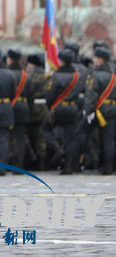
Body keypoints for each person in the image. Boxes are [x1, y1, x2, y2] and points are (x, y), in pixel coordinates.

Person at [42, 46, 84, 174]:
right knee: (72, 138)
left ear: (61, 61)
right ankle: (68, 167)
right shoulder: (79, 76)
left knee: (45, 129)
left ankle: (58, 148)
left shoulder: (56, 76)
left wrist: (51, 107)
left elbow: (49, 95)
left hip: (58, 108)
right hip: (72, 108)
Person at [83, 42, 116, 175]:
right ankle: (108, 165)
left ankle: (100, 163)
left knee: (86, 134)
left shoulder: (96, 76)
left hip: (101, 111)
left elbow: (91, 95)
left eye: (95, 58)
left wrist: (88, 110)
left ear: (100, 60)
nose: (93, 60)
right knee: (109, 138)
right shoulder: (113, 75)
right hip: (113, 109)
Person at [7, 49, 31, 168]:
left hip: (9, 106)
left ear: (10, 59)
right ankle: (20, 164)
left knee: (6, 136)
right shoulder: (25, 74)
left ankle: (10, 161)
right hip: (23, 106)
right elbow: (31, 95)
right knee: (21, 137)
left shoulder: (7, 73)